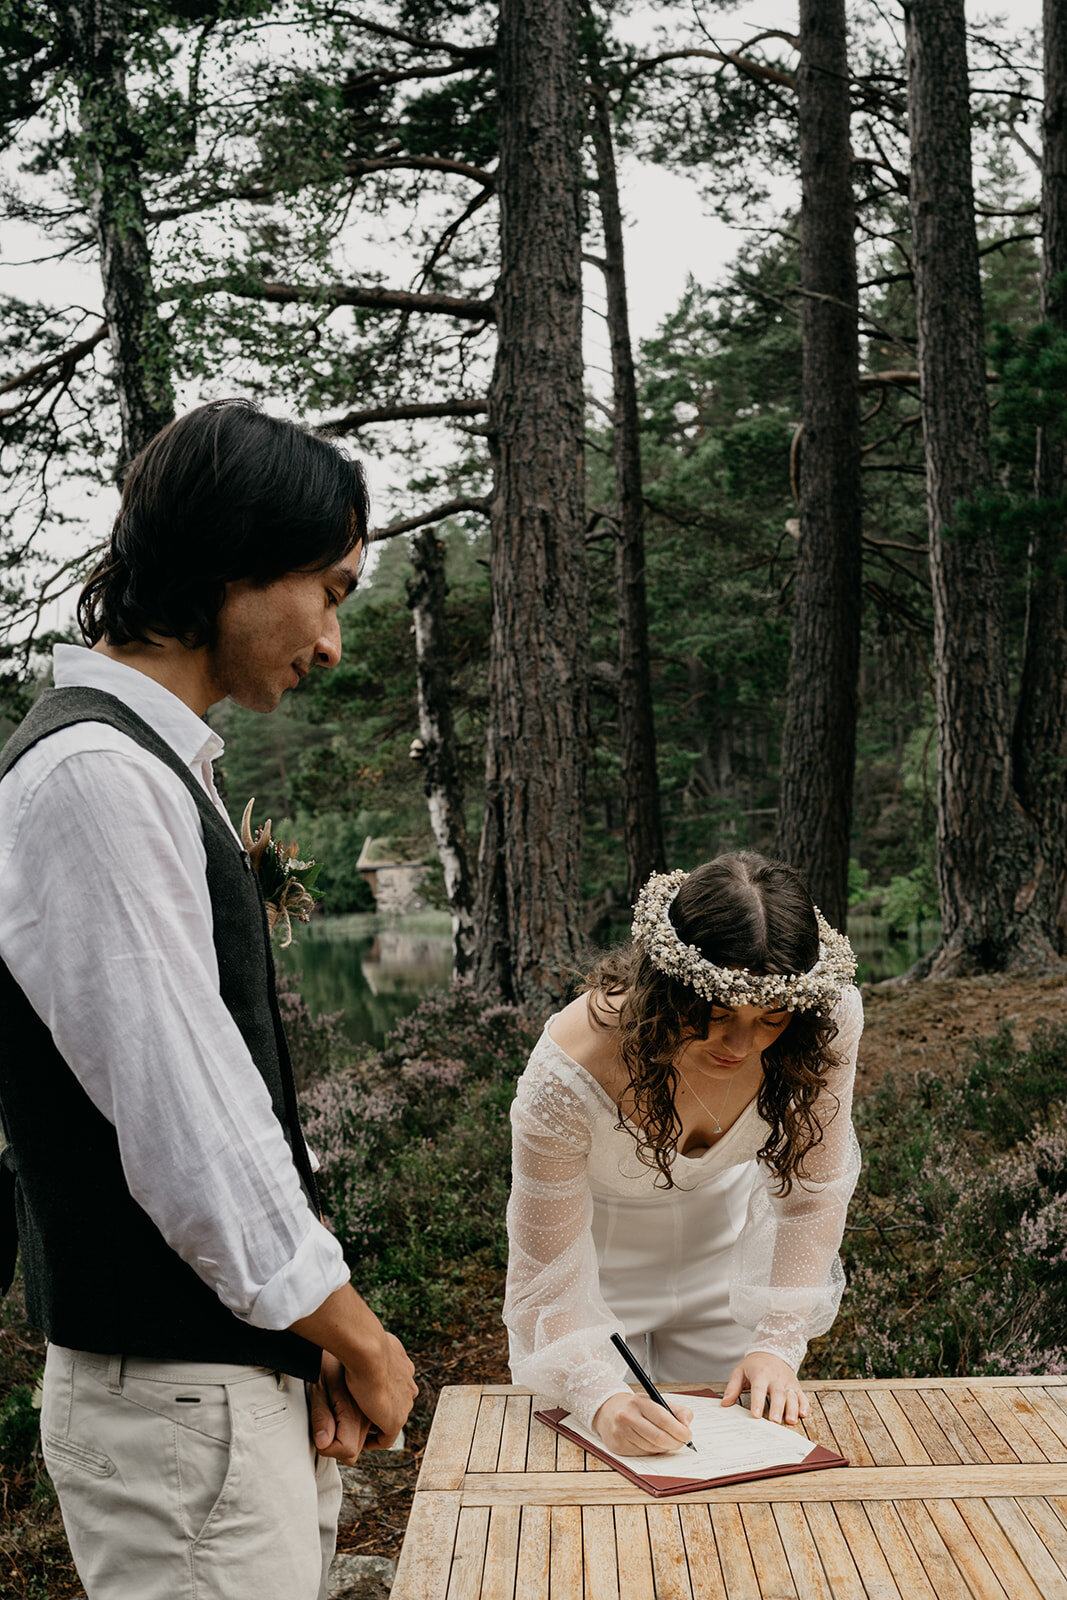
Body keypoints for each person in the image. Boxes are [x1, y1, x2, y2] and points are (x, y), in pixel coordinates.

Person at [0, 399, 417, 1600]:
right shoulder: (94, 778)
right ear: (232, 559)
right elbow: (188, 1123)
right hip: (178, 1411)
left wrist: (304, 1335)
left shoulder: (133, 766)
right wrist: (357, 1335)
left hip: (207, 1397)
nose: (333, 639)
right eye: (328, 589)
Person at [504, 851, 862, 1457]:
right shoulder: (565, 1073)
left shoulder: (826, 1020)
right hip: (594, 1288)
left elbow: (814, 1192)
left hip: (725, 1277)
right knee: (604, 1478)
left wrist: (776, 1341)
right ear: (666, 991)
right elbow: (548, 1268)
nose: (742, 1045)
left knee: (745, 1465)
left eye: (772, 1018)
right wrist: (599, 1396)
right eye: (717, 1015)